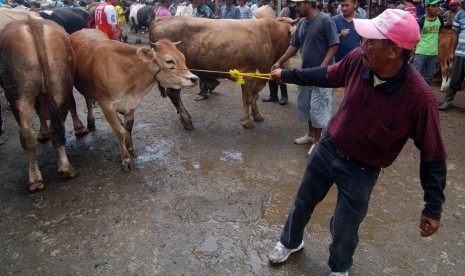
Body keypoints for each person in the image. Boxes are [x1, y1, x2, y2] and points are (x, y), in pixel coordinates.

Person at [269, 9, 446, 276]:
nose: (362, 45)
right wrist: (288, 75)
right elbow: (326, 75)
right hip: (328, 148)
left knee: (344, 227)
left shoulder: (419, 99)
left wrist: (433, 207)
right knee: (303, 201)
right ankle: (290, 242)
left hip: (362, 170)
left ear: (394, 51)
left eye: (371, 41)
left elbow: (433, 156)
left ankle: (339, 268)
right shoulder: (358, 60)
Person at [271, 0, 339, 155]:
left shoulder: (325, 20)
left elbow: (334, 44)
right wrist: (279, 61)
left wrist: (324, 65)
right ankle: (310, 135)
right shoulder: (302, 23)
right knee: (306, 105)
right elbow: (294, 45)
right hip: (305, 73)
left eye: (299, 4)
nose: (296, 7)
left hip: (322, 74)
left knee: (318, 107)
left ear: (309, 3)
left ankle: (317, 141)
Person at [411, 0, 443, 86]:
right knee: (415, 78)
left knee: (428, 79)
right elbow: (415, 37)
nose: (436, 9)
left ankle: (424, 98)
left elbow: (439, 33)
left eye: (437, 6)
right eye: (433, 6)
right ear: (427, 7)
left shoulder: (439, 20)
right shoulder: (421, 21)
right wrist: (413, 54)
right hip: (421, 52)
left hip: (433, 54)